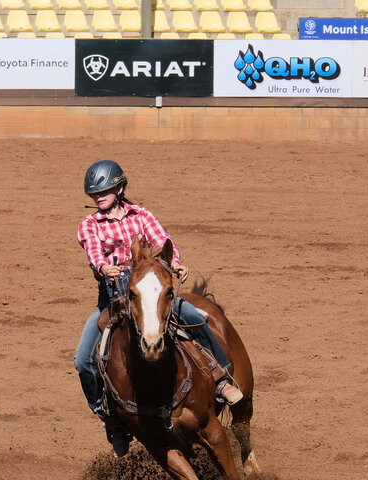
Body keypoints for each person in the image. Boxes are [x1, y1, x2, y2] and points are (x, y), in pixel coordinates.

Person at [74, 159, 244, 457]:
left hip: (152, 291)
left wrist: (174, 262)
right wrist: (103, 266)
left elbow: (163, 241)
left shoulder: (141, 215)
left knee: (196, 318)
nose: (98, 197)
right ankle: (110, 418)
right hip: (114, 299)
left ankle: (222, 377)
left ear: (120, 188)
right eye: (94, 194)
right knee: (83, 360)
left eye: (105, 190)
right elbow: (93, 251)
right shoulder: (89, 225)